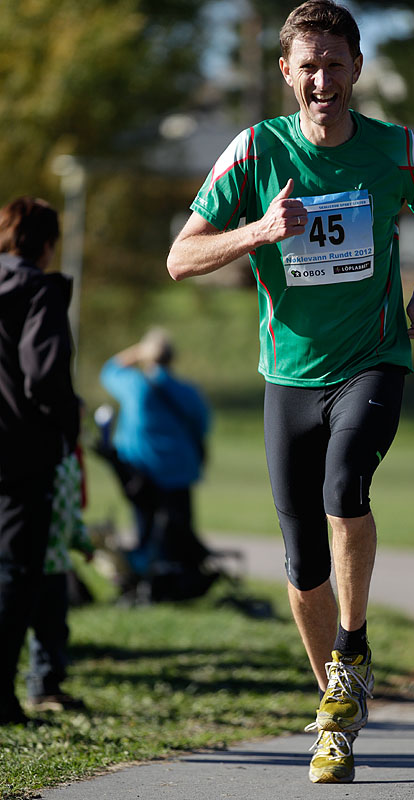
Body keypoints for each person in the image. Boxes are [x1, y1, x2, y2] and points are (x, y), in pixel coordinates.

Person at [167, 0, 414, 783]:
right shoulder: (255, 150)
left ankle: (353, 647)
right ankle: (336, 713)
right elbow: (180, 258)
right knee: (301, 564)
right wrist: (259, 231)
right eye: (309, 65)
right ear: (286, 72)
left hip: (372, 361)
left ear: (357, 68)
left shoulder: (395, 149)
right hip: (288, 378)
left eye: (335, 63)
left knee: (344, 486)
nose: (322, 79)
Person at [0, 196, 79, 725]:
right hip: (20, 454)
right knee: (15, 573)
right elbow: (43, 375)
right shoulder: (38, 290)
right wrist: (68, 422)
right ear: (47, 243)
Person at [100, 328, 213, 601]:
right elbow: (202, 426)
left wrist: (138, 351)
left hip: (143, 471)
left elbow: (109, 370)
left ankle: (150, 580)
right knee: (180, 529)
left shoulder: (134, 386)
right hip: (180, 470)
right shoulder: (187, 391)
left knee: (147, 529)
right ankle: (181, 581)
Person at [27, 446, 94, 711]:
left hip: (56, 563)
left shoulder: (70, 463)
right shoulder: (29, 455)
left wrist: (82, 541)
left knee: (53, 629)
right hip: (24, 562)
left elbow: (72, 510)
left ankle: (46, 687)